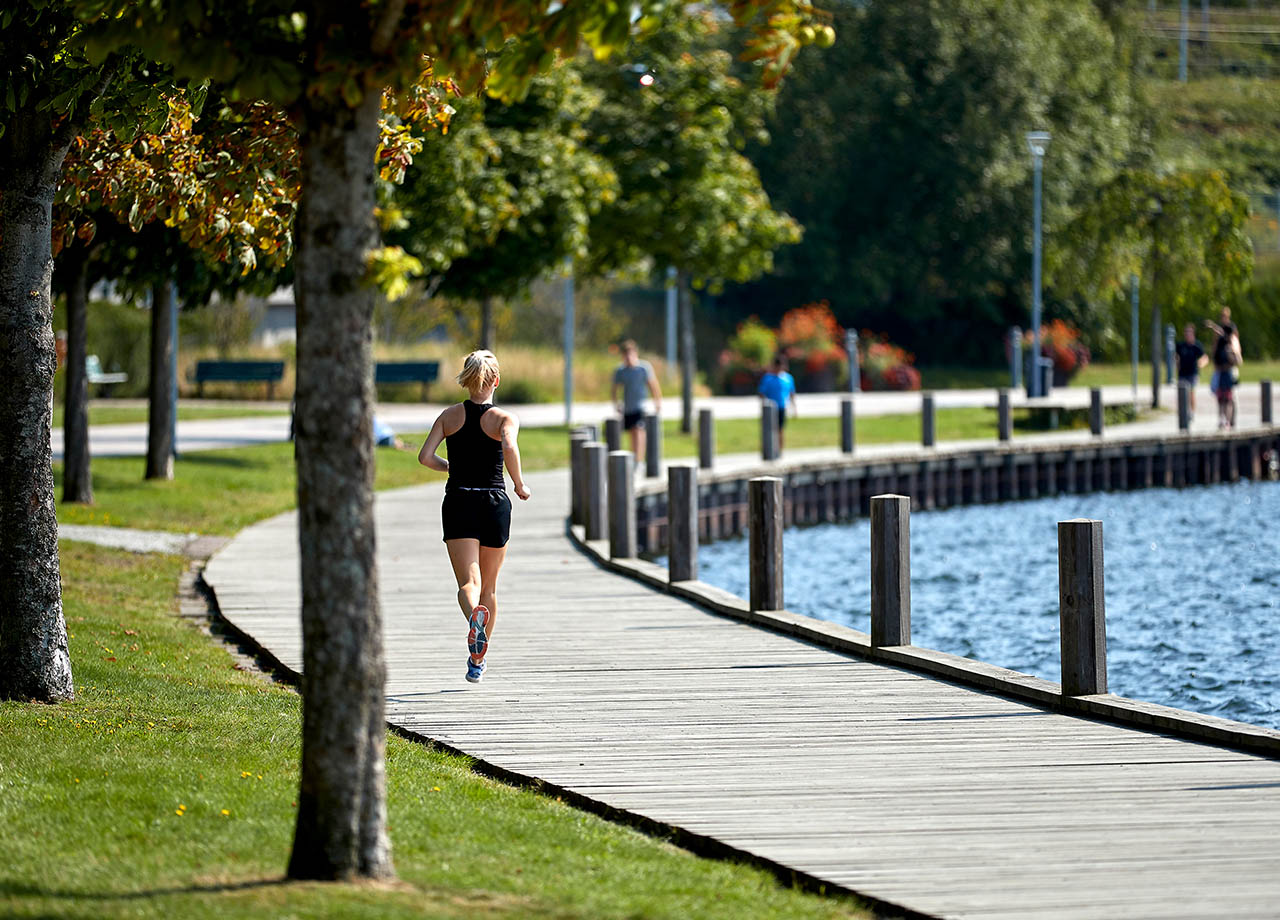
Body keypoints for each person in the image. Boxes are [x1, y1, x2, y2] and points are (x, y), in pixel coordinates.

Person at [418, 350, 531, 683]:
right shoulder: (505, 419)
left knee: (469, 583)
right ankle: (477, 661)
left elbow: (426, 457)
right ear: (496, 380)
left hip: (459, 501)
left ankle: (473, 619)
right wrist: (519, 484)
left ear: (466, 380)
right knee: (490, 588)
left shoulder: (449, 416)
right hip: (494, 502)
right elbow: (509, 446)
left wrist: (449, 466)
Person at [611, 340, 662, 463]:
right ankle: (634, 458)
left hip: (641, 406)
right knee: (632, 433)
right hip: (628, 406)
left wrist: (657, 402)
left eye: (631, 355)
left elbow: (653, 385)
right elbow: (615, 389)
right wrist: (616, 403)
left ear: (635, 354)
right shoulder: (621, 371)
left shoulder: (644, 368)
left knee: (638, 430)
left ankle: (639, 460)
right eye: (626, 355)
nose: (628, 358)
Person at [1204, 307, 1242, 430]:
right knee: (1220, 396)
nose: (1223, 318)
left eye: (1225, 316)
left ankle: (1231, 420)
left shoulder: (1231, 329)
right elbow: (1215, 344)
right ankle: (1222, 419)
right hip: (1220, 368)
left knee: (1230, 396)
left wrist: (1212, 326)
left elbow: (1233, 340)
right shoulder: (1219, 333)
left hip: (1229, 368)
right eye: (1222, 316)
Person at [757, 355, 798, 451]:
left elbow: (792, 394)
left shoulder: (788, 378)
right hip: (770, 408)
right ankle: (768, 450)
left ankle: (780, 450)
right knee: (769, 430)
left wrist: (794, 408)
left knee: (780, 429)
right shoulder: (767, 378)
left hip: (782, 407)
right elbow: (761, 393)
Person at [1174, 323, 1208, 418]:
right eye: (1186, 333)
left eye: (1189, 333)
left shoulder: (1196, 346)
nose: (1188, 335)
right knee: (1181, 394)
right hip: (1182, 373)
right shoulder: (1181, 345)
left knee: (1191, 393)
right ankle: (1182, 412)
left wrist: (1201, 363)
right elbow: (1176, 357)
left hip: (1192, 373)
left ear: (1193, 334)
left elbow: (1205, 357)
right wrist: (1177, 363)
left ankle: (1191, 413)